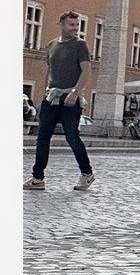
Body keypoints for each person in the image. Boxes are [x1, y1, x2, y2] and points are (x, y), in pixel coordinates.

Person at [24, 12, 95, 191]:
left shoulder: (80, 46)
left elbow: (86, 71)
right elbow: (50, 71)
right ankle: (37, 178)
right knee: (42, 138)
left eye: (77, 25)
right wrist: (46, 92)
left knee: (72, 137)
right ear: (61, 25)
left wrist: (75, 92)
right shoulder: (52, 45)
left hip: (70, 99)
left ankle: (87, 173)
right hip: (52, 98)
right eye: (71, 25)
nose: (75, 28)